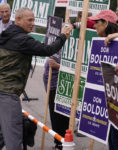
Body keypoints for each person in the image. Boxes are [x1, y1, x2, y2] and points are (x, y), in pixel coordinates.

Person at [0, 7, 73, 150]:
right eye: (30, 20)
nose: (33, 23)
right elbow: (48, 50)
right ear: (18, 19)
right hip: (8, 95)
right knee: (14, 139)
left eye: (33, 19)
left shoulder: (6, 35)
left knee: (3, 134)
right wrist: (63, 35)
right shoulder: (22, 40)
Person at [89, 9, 118, 150]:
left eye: (97, 22)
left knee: (117, 134)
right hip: (106, 94)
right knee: (109, 133)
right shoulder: (100, 42)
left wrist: (116, 36)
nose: (94, 25)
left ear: (106, 23)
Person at [43, 54, 69, 150]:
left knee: (60, 118)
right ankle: (59, 143)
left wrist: (57, 66)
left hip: (60, 88)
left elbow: (74, 68)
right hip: (52, 87)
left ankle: (61, 144)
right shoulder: (56, 45)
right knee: (55, 118)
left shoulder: (69, 48)